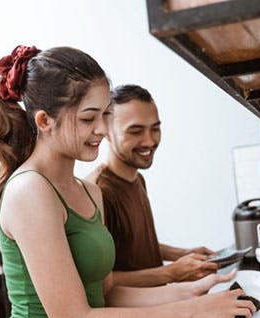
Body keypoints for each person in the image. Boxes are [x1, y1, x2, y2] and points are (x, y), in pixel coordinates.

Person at [0, 45, 255, 318]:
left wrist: (189, 292)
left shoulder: (88, 191)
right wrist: (193, 310)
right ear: (44, 121)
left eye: (104, 115)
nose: (101, 129)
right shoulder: (30, 190)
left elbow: (107, 291)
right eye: (87, 118)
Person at [89, 84, 218, 287]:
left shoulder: (137, 179)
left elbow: (133, 248)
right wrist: (171, 273)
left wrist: (182, 254)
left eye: (155, 128)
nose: (149, 141)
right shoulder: (98, 193)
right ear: (106, 132)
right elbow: (103, 283)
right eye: (136, 131)